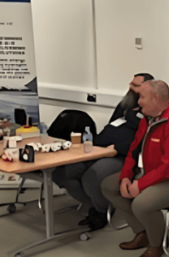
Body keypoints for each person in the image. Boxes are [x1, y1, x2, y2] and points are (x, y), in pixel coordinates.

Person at [101, 81, 169, 257]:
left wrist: (140, 184)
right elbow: (133, 150)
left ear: (155, 98)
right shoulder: (147, 120)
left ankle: (156, 244)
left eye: (142, 97)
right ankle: (143, 232)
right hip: (152, 173)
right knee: (109, 186)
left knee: (141, 204)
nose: (138, 102)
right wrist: (125, 177)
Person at [51, 73, 153, 230]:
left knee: (92, 176)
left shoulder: (151, 108)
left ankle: (100, 211)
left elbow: (145, 140)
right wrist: (98, 146)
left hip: (122, 155)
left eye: (135, 85)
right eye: (131, 83)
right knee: (64, 172)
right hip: (100, 149)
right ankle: (97, 205)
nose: (130, 87)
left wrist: (114, 149)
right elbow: (113, 124)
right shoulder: (126, 103)